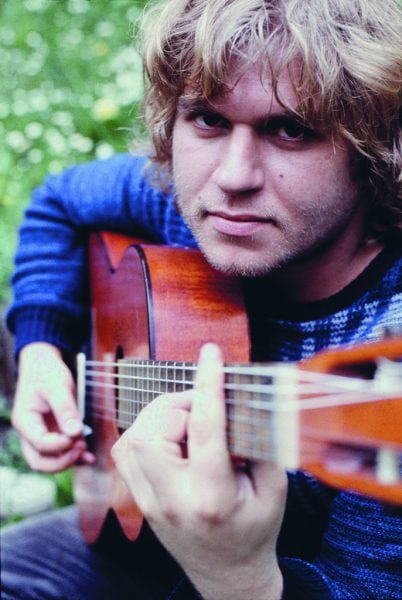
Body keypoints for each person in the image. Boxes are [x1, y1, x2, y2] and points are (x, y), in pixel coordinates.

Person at [2, 0, 402, 597]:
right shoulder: (186, 203)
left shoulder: (386, 359)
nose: (233, 177)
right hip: (131, 534)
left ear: (375, 147)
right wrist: (40, 352)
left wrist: (238, 576)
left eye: (291, 130)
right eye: (208, 119)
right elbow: (58, 203)